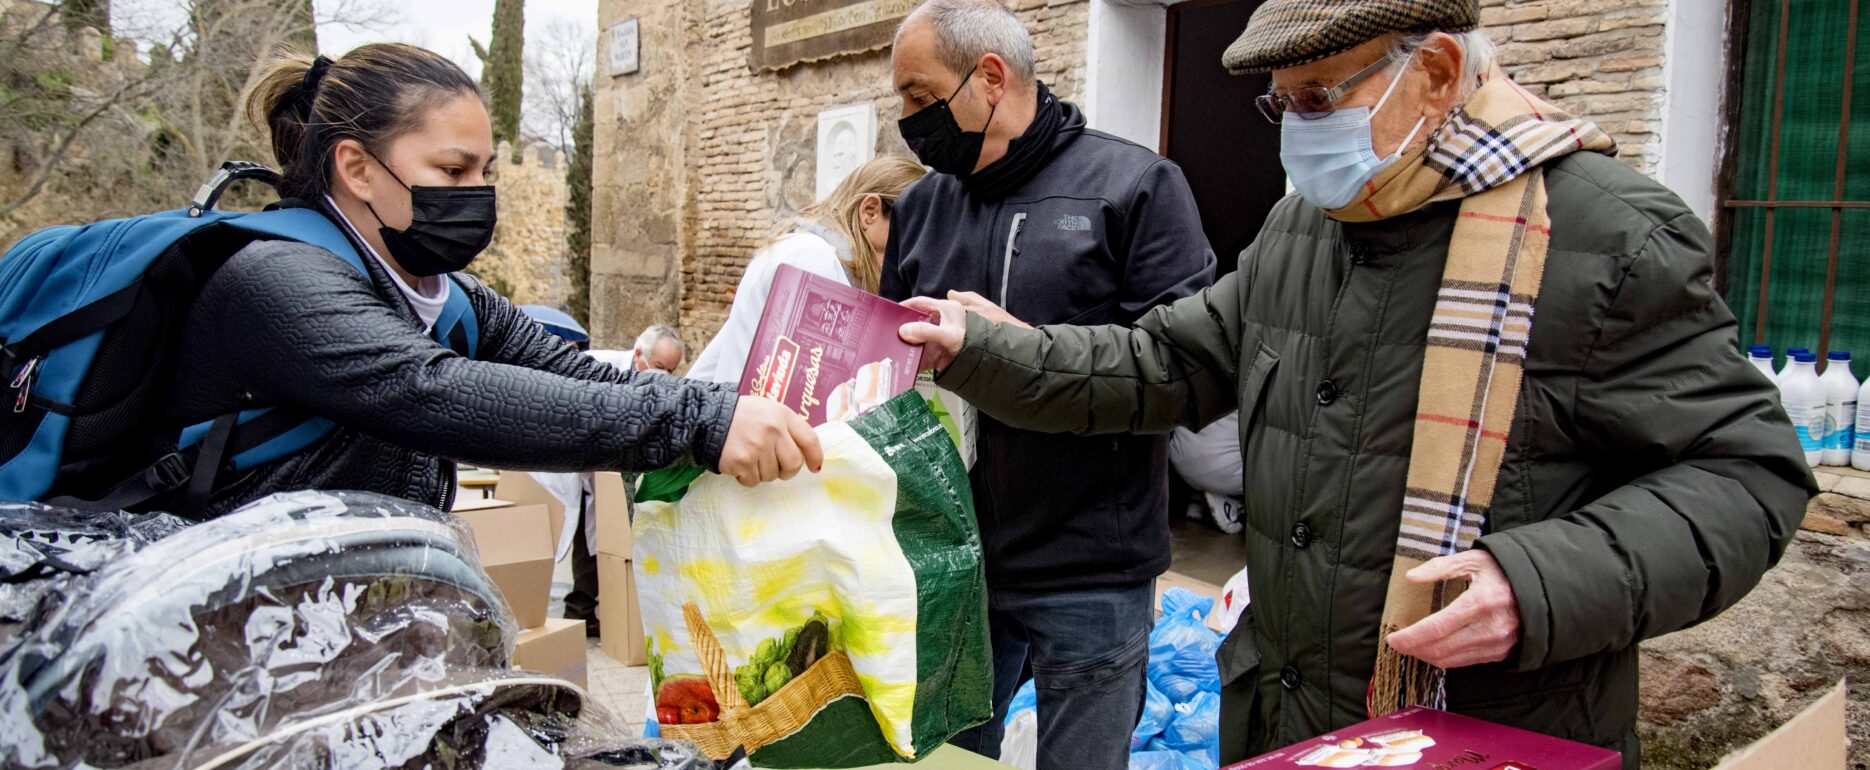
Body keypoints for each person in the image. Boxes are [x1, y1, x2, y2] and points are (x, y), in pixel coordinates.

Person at [898, 1, 1813, 767]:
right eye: (1282, 105)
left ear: (1440, 71)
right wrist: (983, 347)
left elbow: (1746, 474)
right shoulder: (1303, 230)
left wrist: (1536, 582)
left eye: (1320, 97)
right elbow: (1160, 363)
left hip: (1486, 727)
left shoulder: (1607, 238)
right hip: (1295, 719)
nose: (1298, 128)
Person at [153, 43, 821, 519]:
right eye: (452, 170)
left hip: (363, 630)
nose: (479, 193)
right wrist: (700, 423)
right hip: (226, 647)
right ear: (356, 169)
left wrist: (743, 406)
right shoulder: (275, 283)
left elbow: (581, 379)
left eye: (486, 169)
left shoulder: (452, 301)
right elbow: (430, 392)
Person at [882, 2, 1216, 766]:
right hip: (954, 568)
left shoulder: (1136, 185)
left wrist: (1020, 348)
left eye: (917, 95)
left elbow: (1184, 372)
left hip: (1091, 567)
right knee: (944, 761)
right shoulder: (925, 207)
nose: (905, 119)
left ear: (990, 78)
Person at [687, 156, 928, 384]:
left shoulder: (800, 251)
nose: (906, 259)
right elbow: (814, 393)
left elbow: (706, 371)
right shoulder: (813, 260)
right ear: (870, 211)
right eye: (907, 237)